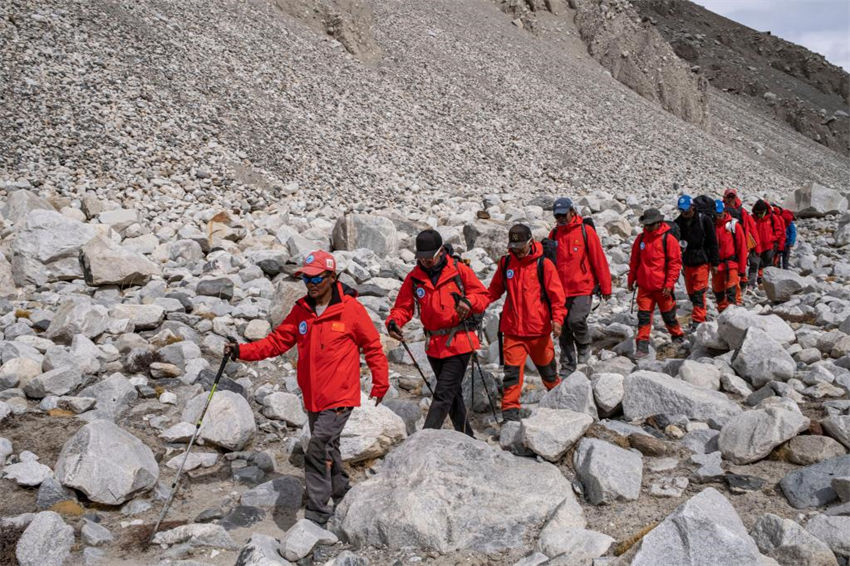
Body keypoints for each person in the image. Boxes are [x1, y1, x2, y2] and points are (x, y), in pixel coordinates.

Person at [224, 250, 388, 526]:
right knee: (329, 447)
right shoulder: (301, 310)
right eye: (306, 279)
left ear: (332, 277)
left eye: (316, 279)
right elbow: (276, 342)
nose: (310, 285)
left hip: (340, 396)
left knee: (317, 447)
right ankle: (341, 490)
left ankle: (317, 512)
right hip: (313, 397)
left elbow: (372, 346)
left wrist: (380, 381)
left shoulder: (351, 310)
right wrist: (241, 351)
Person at [386, 229, 489, 436]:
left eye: (429, 258)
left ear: (441, 251)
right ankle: (466, 436)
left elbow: (482, 295)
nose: (425, 262)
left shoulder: (459, 270)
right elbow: (403, 308)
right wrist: (393, 322)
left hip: (460, 341)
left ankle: (424, 439)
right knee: (452, 394)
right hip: (434, 346)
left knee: (442, 394)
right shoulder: (414, 278)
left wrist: (469, 302)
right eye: (421, 258)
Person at [488, 224, 567, 421]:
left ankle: (561, 407)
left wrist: (557, 321)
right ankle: (509, 413)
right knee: (512, 375)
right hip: (513, 331)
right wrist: (474, 303)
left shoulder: (544, 264)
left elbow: (557, 297)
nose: (517, 250)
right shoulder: (506, 263)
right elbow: (494, 291)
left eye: (520, 246)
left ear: (531, 242)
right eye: (514, 246)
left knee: (549, 373)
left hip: (538, 331)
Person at [548, 197, 612, 376]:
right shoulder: (554, 235)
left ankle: (584, 344)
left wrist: (605, 286)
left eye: (563, 214)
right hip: (560, 289)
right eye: (557, 215)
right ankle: (568, 366)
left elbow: (598, 260)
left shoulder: (586, 231)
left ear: (573, 212)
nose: (560, 218)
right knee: (563, 328)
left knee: (575, 320)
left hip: (583, 287)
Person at [627, 208, 685, 358]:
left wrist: (669, 284)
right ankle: (642, 346)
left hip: (662, 288)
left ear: (659, 223)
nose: (647, 227)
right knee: (644, 317)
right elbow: (634, 261)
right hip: (645, 287)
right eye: (645, 225)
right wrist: (631, 280)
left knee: (669, 316)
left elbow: (675, 264)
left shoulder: (668, 240)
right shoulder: (640, 239)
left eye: (650, 225)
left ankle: (678, 336)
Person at [674, 194, 719, 328]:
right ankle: (699, 313)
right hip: (687, 261)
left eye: (686, 210)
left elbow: (713, 243)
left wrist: (715, 263)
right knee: (692, 292)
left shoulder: (704, 220)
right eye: (682, 210)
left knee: (699, 291)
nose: (684, 213)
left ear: (693, 207)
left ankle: (698, 320)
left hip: (702, 260)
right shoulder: (678, 222)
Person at [712, 200, 748, 311]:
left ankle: (734, 311)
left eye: (720, 213)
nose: (719, 216)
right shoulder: (711, 225)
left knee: (731, 289)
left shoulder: (734, 225)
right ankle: (722, 311)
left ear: (724, 210)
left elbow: (742, 248)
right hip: (717, 264)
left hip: (731, 263)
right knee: (718, 291)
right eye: (716, 213)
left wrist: (742, 270)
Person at [722, 189, 759, 295]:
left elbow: (752, 229)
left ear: (735, 197)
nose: (730, 199)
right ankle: (733, 286)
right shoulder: (721, 210)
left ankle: (741, 284)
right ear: (725, 197)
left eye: (732, 197)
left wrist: (757, 246)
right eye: (728, 197)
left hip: (741, 239)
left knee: (741, 261)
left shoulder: (742, 211)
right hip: (727, 241)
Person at [751, 199, 784, 285]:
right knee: (757, 264)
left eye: (761, 213)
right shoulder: (752, 218)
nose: (760, 215)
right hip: (757, 246)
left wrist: (772, 238)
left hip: (769, 246)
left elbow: (779, 231)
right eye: (758, 213)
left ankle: (767, 280)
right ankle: (758, 280)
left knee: (768, 264)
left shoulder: (772, 218)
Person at [774, 204, 797, 269]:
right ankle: (785, 271)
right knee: (785, 260)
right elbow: (793, 232)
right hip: (787, 243)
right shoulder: (789, 220)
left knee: (777, 259)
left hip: (779, 242)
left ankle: (778, 271)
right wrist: (791, 242)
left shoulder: (778, 218)